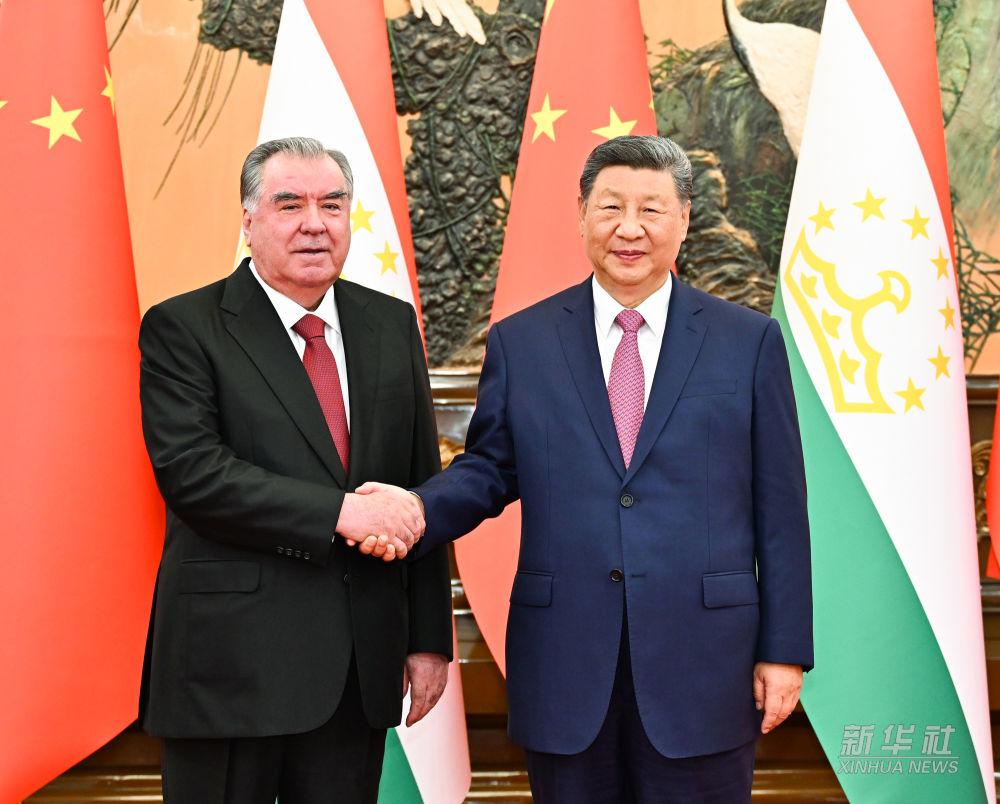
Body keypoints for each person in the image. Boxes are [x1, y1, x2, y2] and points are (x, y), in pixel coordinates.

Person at [359, 135, 813, 803]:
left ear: (684, 218)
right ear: (581, 215)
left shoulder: (748, 342)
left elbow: (781, 510)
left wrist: (784, 650)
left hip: (705, 662)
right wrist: (417, 509)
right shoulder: (524, 341)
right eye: (610, 207)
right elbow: (489, 469)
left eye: (651, 210)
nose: (630, 228)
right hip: (565, 661)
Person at [137, 136, 452, 803]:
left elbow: (419, 487)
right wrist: (344, 513)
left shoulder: (390, 324)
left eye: (332, 205)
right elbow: (195, 475)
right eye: (290, 205)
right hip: (230, 669)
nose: (315, 223)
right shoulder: (184, 327)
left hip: (358, 671)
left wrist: (428, 639)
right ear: (249, 220)